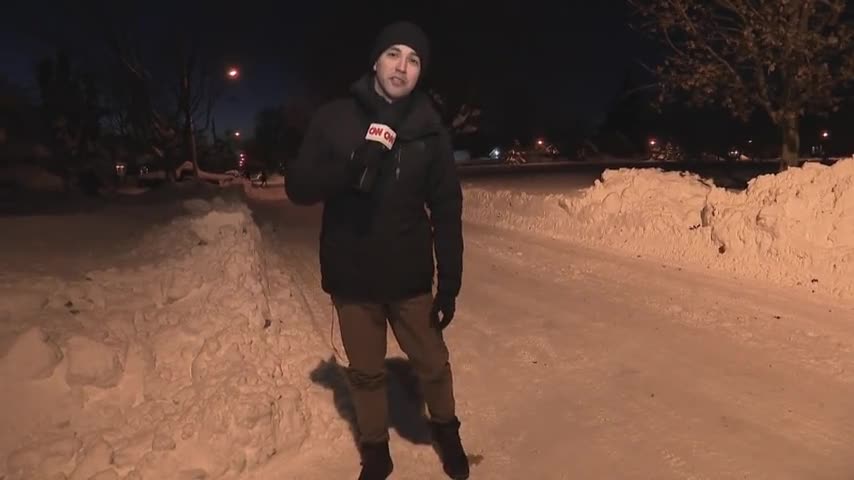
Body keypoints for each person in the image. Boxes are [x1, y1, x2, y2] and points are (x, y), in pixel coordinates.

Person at [285, 20, 469, 480]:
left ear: (421, 72)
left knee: (433, 364)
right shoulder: (334, 118)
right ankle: (375, 449)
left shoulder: (429, 130)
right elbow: (298, 187)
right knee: (366, 373)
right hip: (352, 276)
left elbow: (446, 207)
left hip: (409, 277)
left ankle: (447, 431)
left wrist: (449, 281)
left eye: (414, 59)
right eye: (394, 54)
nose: (402, 67)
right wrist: (351, 167)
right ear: (375, 60)